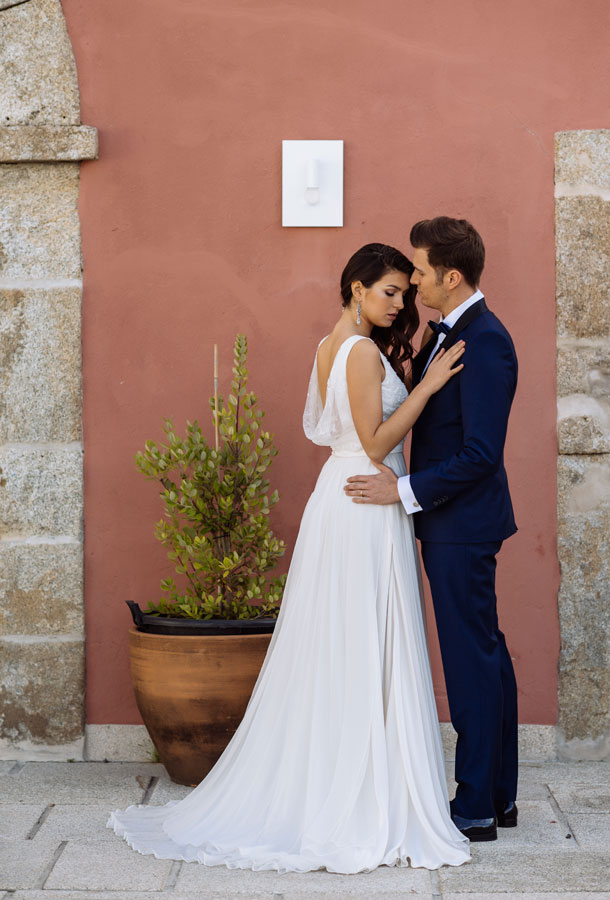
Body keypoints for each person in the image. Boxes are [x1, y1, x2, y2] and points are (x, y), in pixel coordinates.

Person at [108, 243, 471, 872]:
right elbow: (376, 439)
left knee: (349, 641)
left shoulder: (332, 345)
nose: (398, 304)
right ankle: (355, 792)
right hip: (364, 500)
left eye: (402, 295)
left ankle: (356, 776)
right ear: (356, 289)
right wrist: (430, 386)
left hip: (351, 497)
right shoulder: (357, 352)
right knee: (358, 641)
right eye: (388, 292)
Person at [345, 219, 519, 843]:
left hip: (461, 524)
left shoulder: (487, 341)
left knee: (471, 660)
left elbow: (481, 454)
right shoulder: (450, 333)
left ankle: (473, 805)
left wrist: (404, 491)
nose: (413, 281)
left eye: (418, 271)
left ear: (450, 276)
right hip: (452, 523)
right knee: (485, 652)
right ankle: (498, 795)